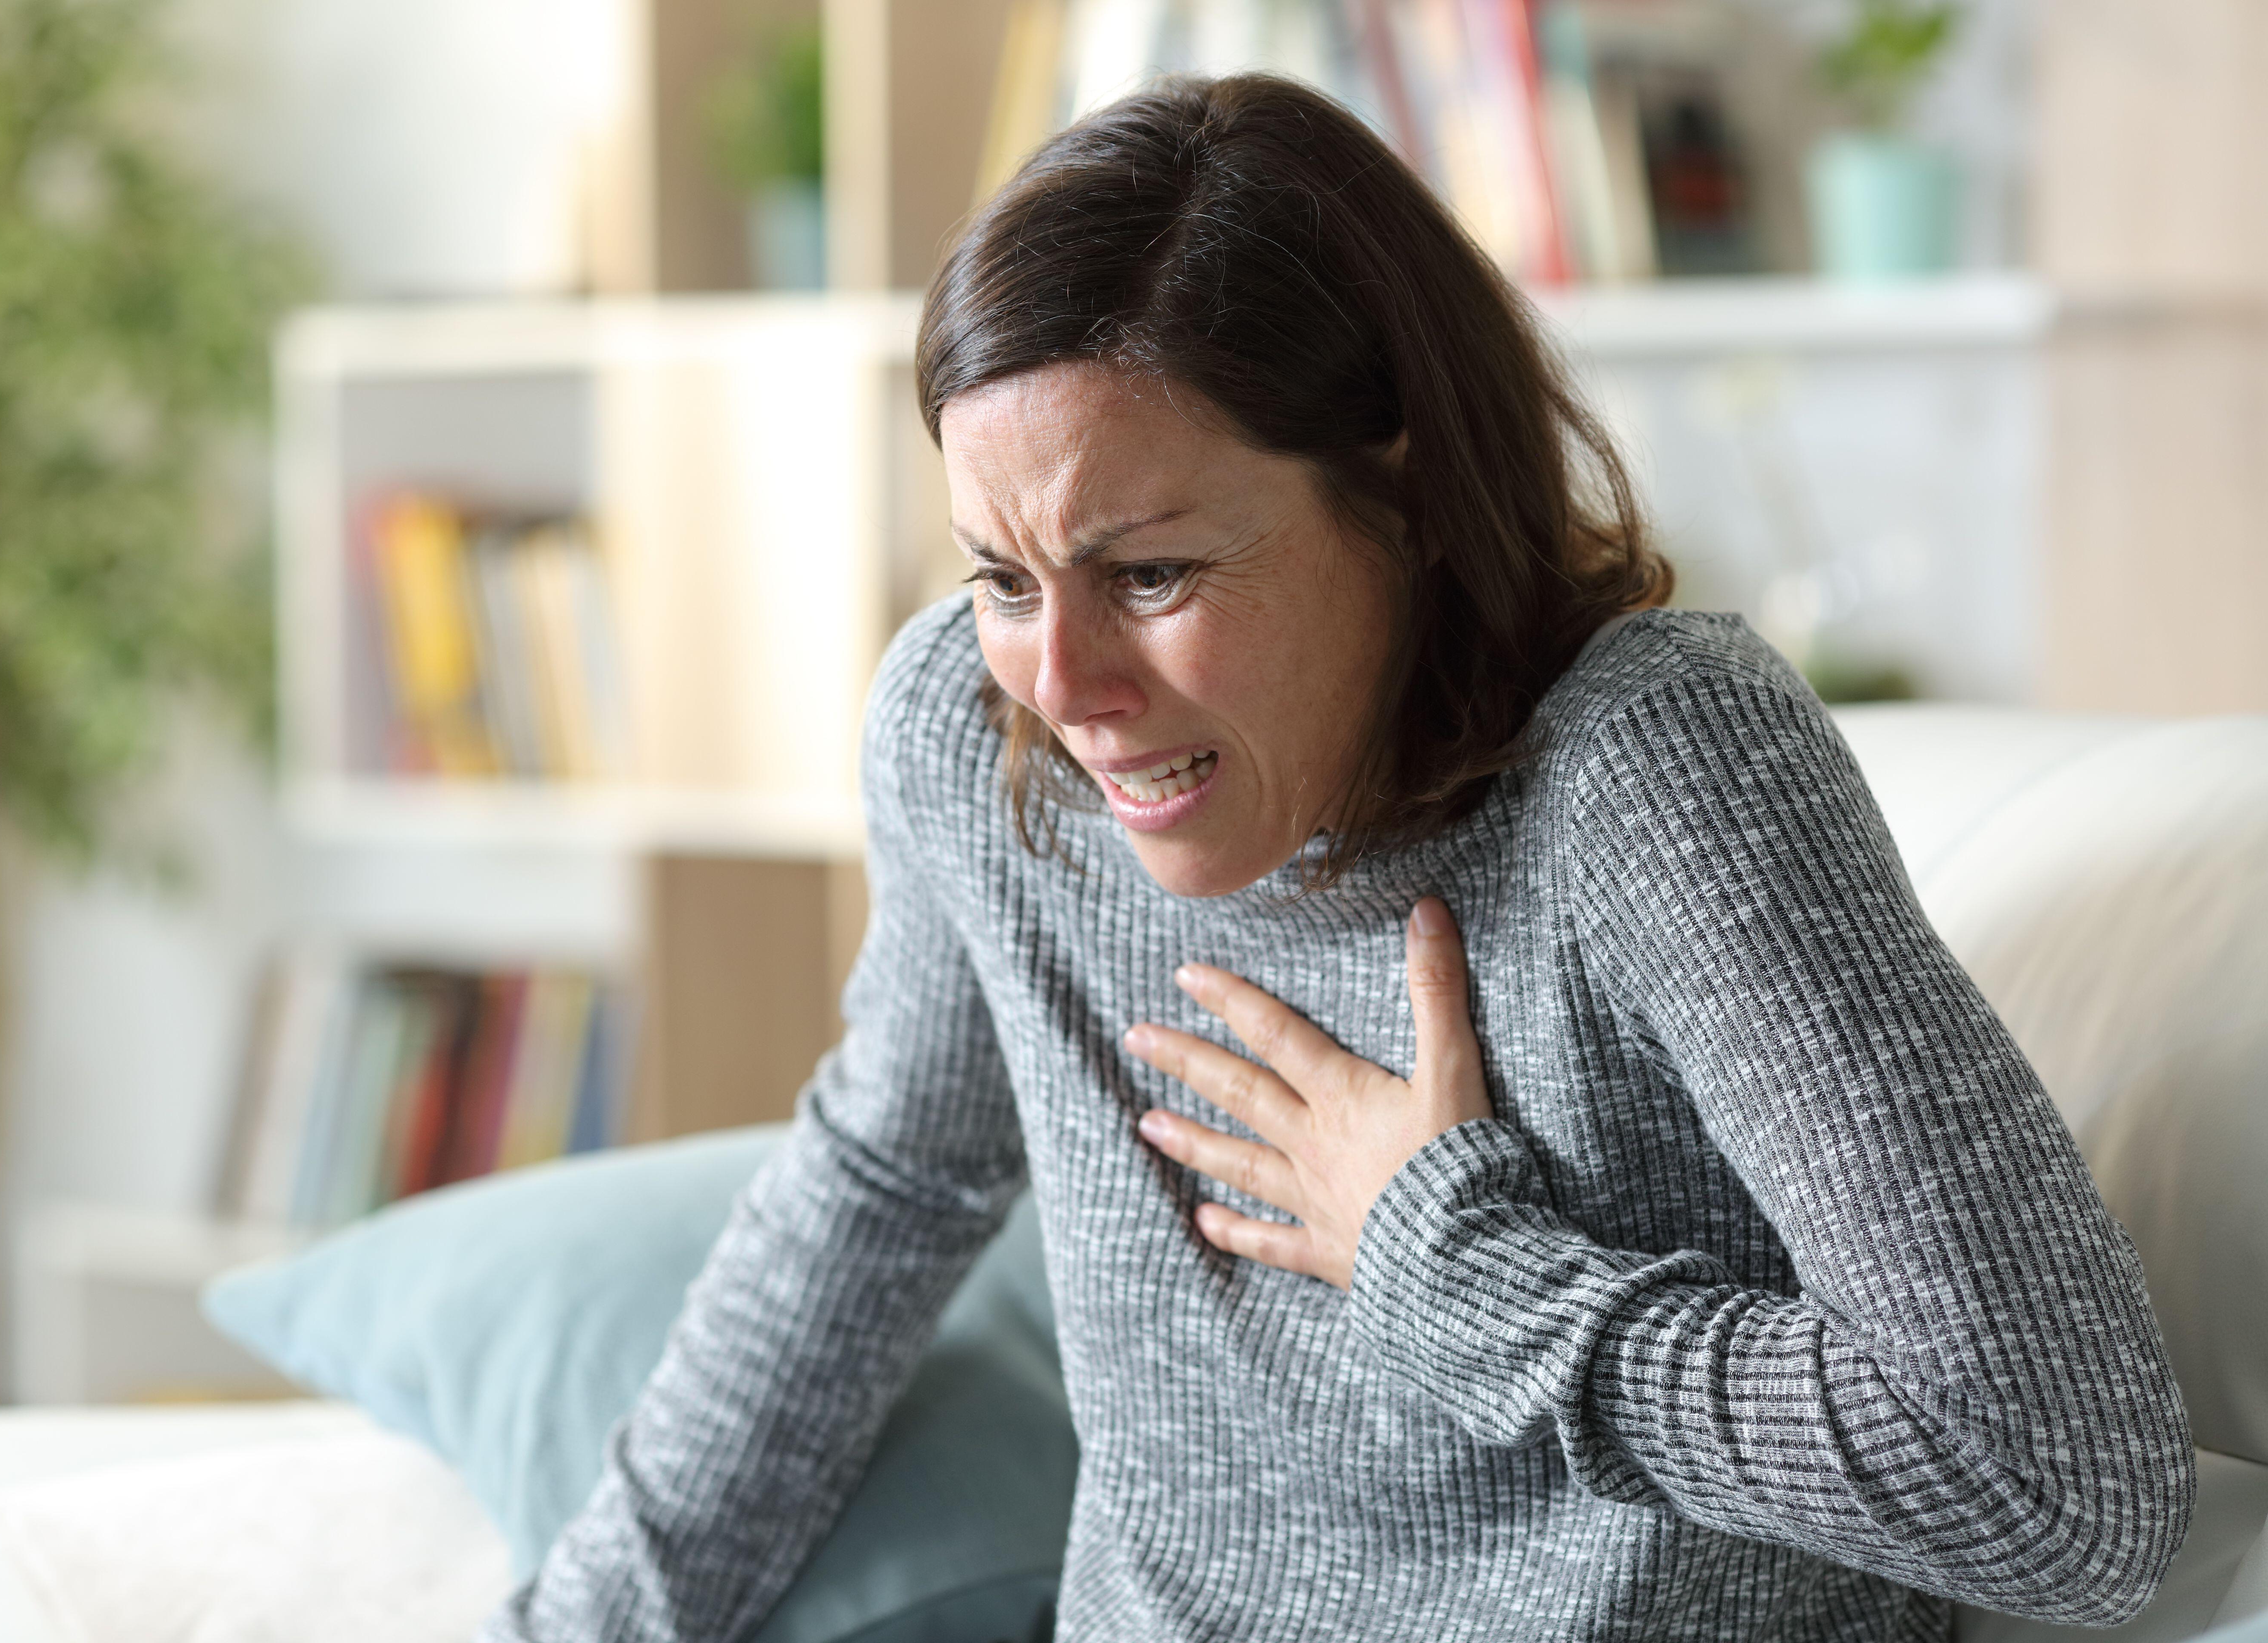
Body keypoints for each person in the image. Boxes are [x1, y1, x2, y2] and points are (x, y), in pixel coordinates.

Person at [486, 74, 2190, 1643]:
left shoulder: (1654, 775)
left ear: (1408, 498)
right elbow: (878, 1197)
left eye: (1148, 574)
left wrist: (1448, 1267)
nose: (1063, 688)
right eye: (1004, 577)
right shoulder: (969, 734)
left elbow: (2060, 1487)